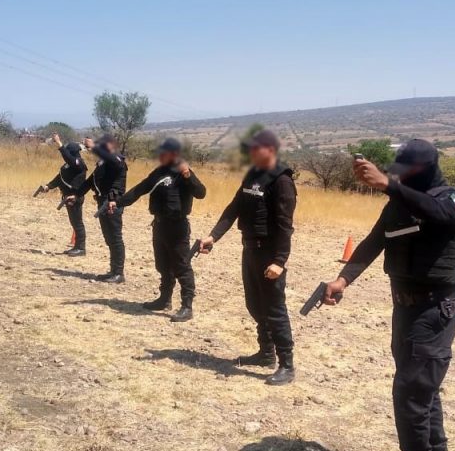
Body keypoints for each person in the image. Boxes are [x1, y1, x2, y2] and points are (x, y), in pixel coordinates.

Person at [323, 140, 455, 451]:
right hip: (406, 309)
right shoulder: (399, 203)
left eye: (405, 172)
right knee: (422, 392)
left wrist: (388, 185)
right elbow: (373, 242)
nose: (399, 176)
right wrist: (342, 280)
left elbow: (439, 214)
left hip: (435, 309)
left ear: (425, 169)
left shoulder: (454, 199)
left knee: (411, 394)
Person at [199, 129, 297, 386]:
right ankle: (266, 353)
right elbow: (234, 208)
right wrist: (213, 236)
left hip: (269, 253)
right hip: (250, 249)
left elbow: (285, 226)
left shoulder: (282, 181)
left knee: (274, 308)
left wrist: (280, 261)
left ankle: (287, 365)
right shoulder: (252, 175)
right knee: (254, 304)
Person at [113, 137, 207, 322]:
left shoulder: (183, 172)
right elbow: (140, 189)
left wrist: (188, 175)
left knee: (181, 266)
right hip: (159, 225)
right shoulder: (159, 172)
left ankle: (187, 306)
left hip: (177, 227)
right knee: (163, 265)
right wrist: (118, 202)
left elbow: (201, 193)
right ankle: (164, 299)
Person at [34, 133, 89, 257]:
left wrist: (59, 143)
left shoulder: (79, 163)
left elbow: (69, 158)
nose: (67, 154)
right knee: (73, 222)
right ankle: (76, 247)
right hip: (67, 197)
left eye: (68, 152)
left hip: (75, 197)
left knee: (77, 223)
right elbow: (60, 178)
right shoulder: (68, 165)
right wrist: (48, 186)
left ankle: (81, 248)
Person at [83, 134, 128, 283]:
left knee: (115, 238)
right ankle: (113, 270)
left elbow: (116, 167)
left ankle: (119, 273)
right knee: (109, 238)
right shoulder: (103, 162)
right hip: (102, 202)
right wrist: (76, 194)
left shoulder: (117, 159)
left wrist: (94, 147)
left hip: (112, 203)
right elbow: (90, 181)